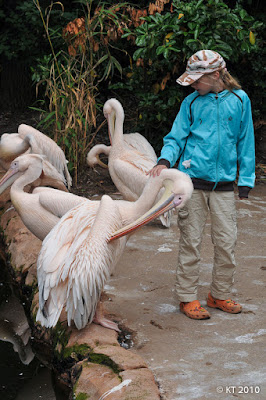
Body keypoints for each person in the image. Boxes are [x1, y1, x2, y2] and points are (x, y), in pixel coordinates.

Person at [149, 50, 255, 320]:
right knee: (191, 242)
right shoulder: (192, 104)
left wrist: (245, 182)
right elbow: (176, 137)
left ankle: (219, 294)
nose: (194, 86)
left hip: (223, 187)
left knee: (226, 241)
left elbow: (246, 142)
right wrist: (164, 159)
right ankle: (187, 297)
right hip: (193, 182)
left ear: (216, 75)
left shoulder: (240, 101)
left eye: (198, 81)